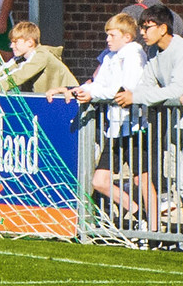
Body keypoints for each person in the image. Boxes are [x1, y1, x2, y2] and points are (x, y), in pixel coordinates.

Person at [114, 6, 183, 232]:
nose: (142, 33)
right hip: (178, 122)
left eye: (147, 27)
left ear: (163, 28)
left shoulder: (182, 51)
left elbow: (176, 90)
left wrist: (136, 97)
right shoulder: (153, 52)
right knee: (178, 182)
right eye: (141, 28)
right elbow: (146, 84)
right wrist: (133, 94)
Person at [55, 13, 148, 227]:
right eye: (107, 35)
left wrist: (93, 94)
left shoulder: (134, 55)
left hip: (134, 126)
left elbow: (125, 88)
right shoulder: (109, 57)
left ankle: (153, 229)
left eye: (112, 35)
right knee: (99, 181)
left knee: (142, 180)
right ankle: (139, 215)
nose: (108, 39)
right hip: (115, 128)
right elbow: (97, 84)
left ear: (127, 37)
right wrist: (77, 90)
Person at [0, 20, 76, 93]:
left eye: (15, 42)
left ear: (30, 42)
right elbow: (1, 73)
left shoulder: (41, 55)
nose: (11, 46)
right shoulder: (20, 59)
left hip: (68, 99)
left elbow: (17, 77)